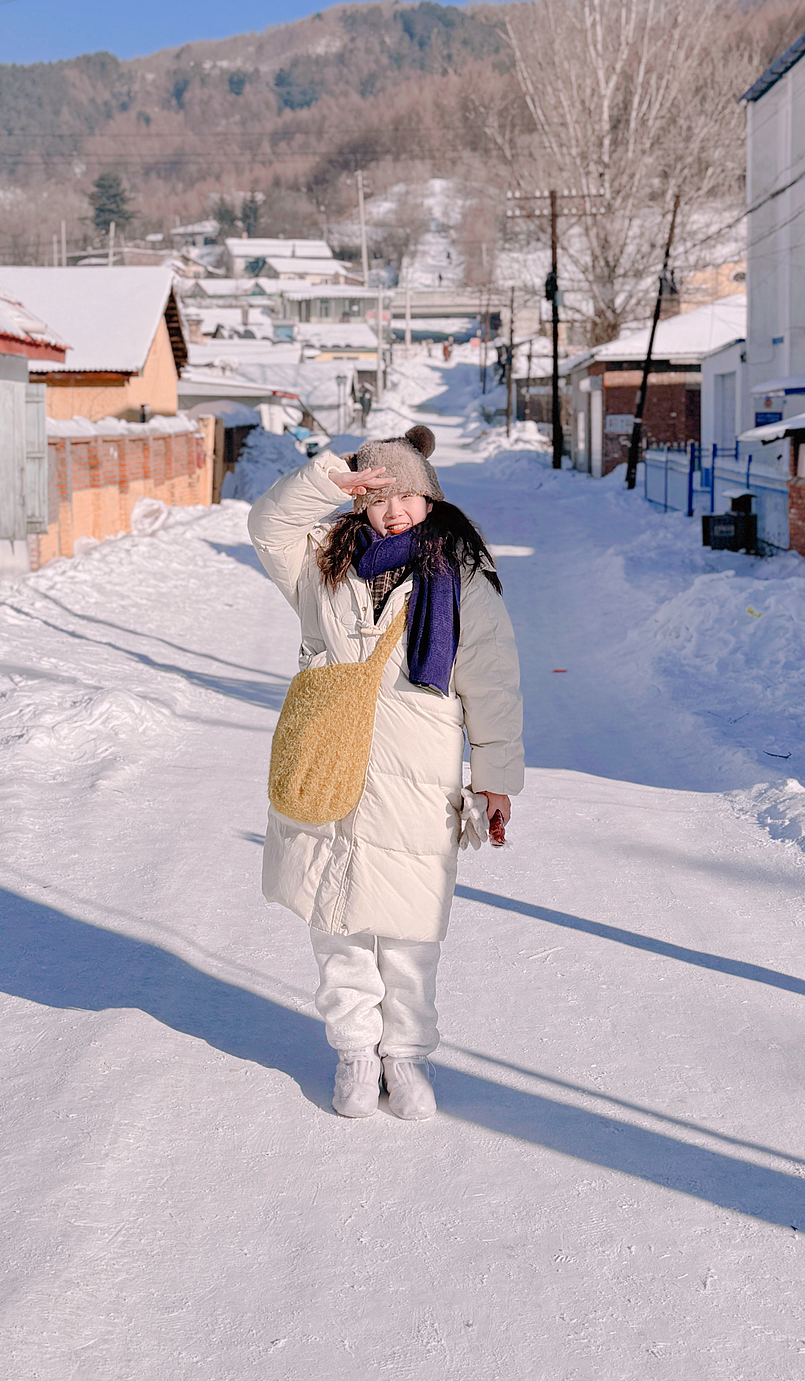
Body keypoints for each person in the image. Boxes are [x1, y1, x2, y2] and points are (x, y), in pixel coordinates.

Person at [248, 426, 523, 1121]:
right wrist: (326, 481)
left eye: (405, 493)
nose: (392, 509)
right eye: (377, 496)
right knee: (335, 920)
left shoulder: (462, 577)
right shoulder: (324, 564)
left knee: (408, 929)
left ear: (429, 496)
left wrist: (494, 778)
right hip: (330, 765)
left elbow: (491, 684)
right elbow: (266, 523)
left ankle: (404, 1055)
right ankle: (354, 1050)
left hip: (416, 775)